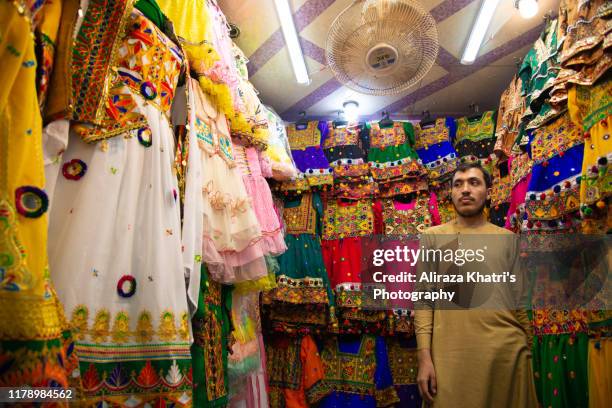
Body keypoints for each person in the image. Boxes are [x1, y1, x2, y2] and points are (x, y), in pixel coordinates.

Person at [414, 162, 537, 407]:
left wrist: (531, 350)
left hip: (507, 354)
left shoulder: (508, 240)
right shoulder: (432, 237)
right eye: (458, 184)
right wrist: (424, 358)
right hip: (450, 358)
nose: (465, 190)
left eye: (474, 182)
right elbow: (423, 301)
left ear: (488, 192)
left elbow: (520, 301)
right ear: (451, 193)